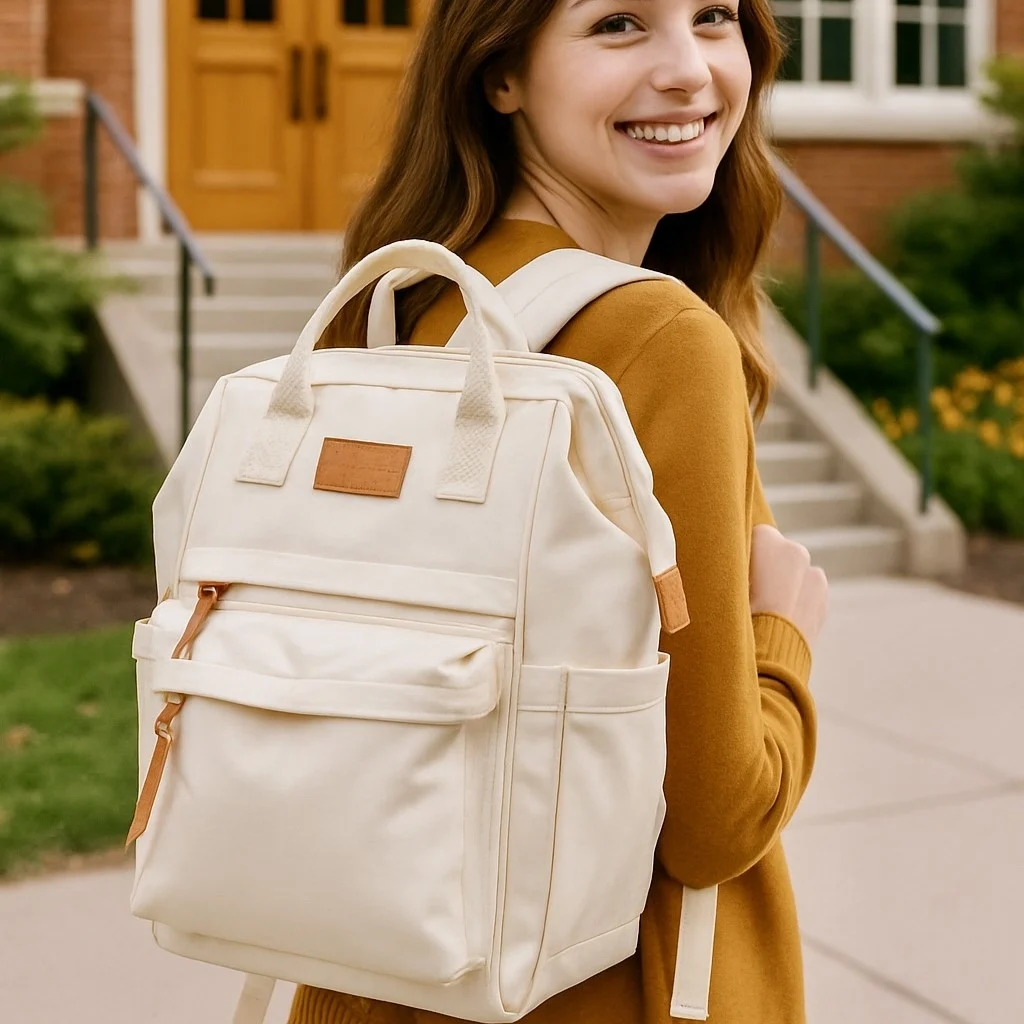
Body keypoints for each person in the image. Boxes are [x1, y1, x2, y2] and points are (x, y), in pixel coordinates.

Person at [291, 0, 828, 1021]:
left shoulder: (402, 310)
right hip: (594, 989)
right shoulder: (658, 336)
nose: (687, 70)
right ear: (500, 75)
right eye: (619, 25)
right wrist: (781, 643)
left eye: (713, 17)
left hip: (372, 969)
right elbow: (713, 823)